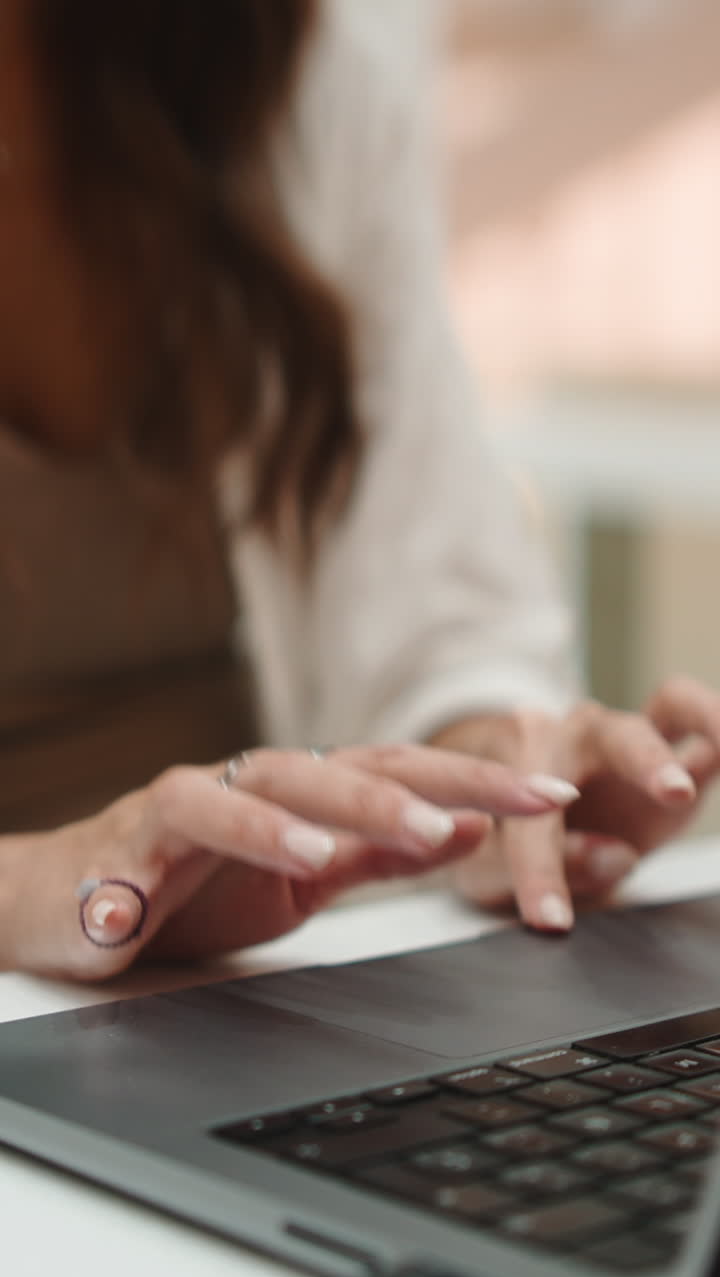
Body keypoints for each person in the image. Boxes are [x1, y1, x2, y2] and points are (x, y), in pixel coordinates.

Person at [1, 0, 719, 981]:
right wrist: (30, 887)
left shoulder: (300, 48)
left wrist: (487, 779)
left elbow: (434, 604)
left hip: (256, 990)